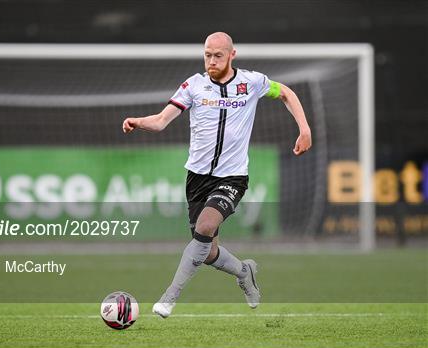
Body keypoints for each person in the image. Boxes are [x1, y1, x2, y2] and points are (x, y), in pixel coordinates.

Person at [122, 32, 312, 318]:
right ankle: (244, 271)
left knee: (206, 226)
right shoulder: (193, 86)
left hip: (233, 177)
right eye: (207, 55)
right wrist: (138, 122)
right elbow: (162, 121)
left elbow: (286, 92)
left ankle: (169, 297)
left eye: (218, 55)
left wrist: (304, 129)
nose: (211, 61)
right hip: (197, 178)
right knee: (208, 251)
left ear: (232, 55)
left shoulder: (251, 82)